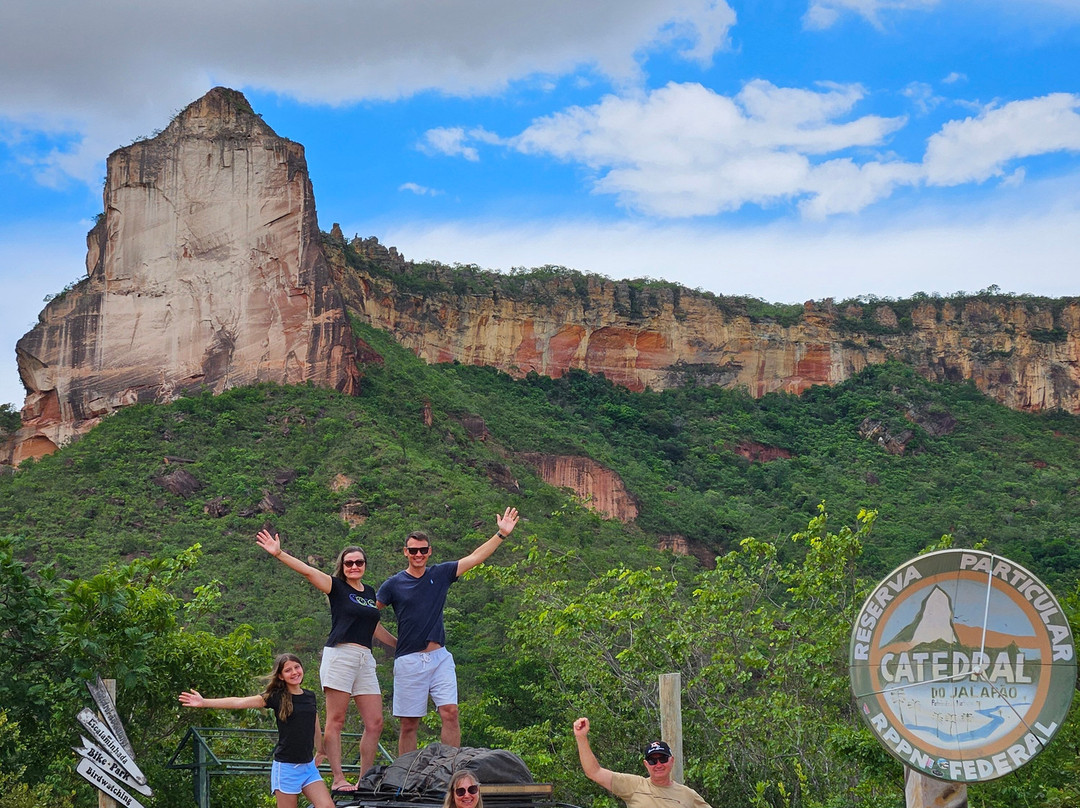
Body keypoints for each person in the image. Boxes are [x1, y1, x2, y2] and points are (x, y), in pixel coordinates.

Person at [256, 529, 397, 792]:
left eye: (359, 562)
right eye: (349, 563)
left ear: (365, 565)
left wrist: (399, 645)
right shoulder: (336, 586)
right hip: (340, 655)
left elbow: (373, 626)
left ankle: (364, 780)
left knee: (375, 722)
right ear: (342, 566)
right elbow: (308, 571)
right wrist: (279, 553)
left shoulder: (369, 592)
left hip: (365, 659)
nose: (354, 566)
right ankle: (339, 777)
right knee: (337, 720)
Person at [376, 506, 520, 753]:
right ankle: (407, 775)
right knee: (410, 724)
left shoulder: (440, 574)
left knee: (450, 712)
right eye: (413, 550)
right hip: (409, 659)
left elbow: (474, 558)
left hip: (439, 657)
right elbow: (368, 617)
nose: (418, 554)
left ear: (429, 551)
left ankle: (449, 769)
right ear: (405, 552)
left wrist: (501, 535)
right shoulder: (393, 584)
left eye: (423, 550)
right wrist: (393, 642)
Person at [178, 654, 335, 808]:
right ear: (280, 676)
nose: (294, 672)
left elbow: (314, 724)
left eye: (297, 667)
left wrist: (321, 750)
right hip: (286, 768)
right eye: (288, 670)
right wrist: (204, 702)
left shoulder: (310, 696)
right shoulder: (276, 697)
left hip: (308, 766)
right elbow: (239, 702)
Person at [572, 717, 712, 808]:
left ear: (672, 761)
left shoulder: (688, 795)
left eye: (662, 759)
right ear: (646, 764)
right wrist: (581, 737)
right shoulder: (634, 786)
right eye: (652, 760)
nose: (658, 764)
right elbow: (594, 772)